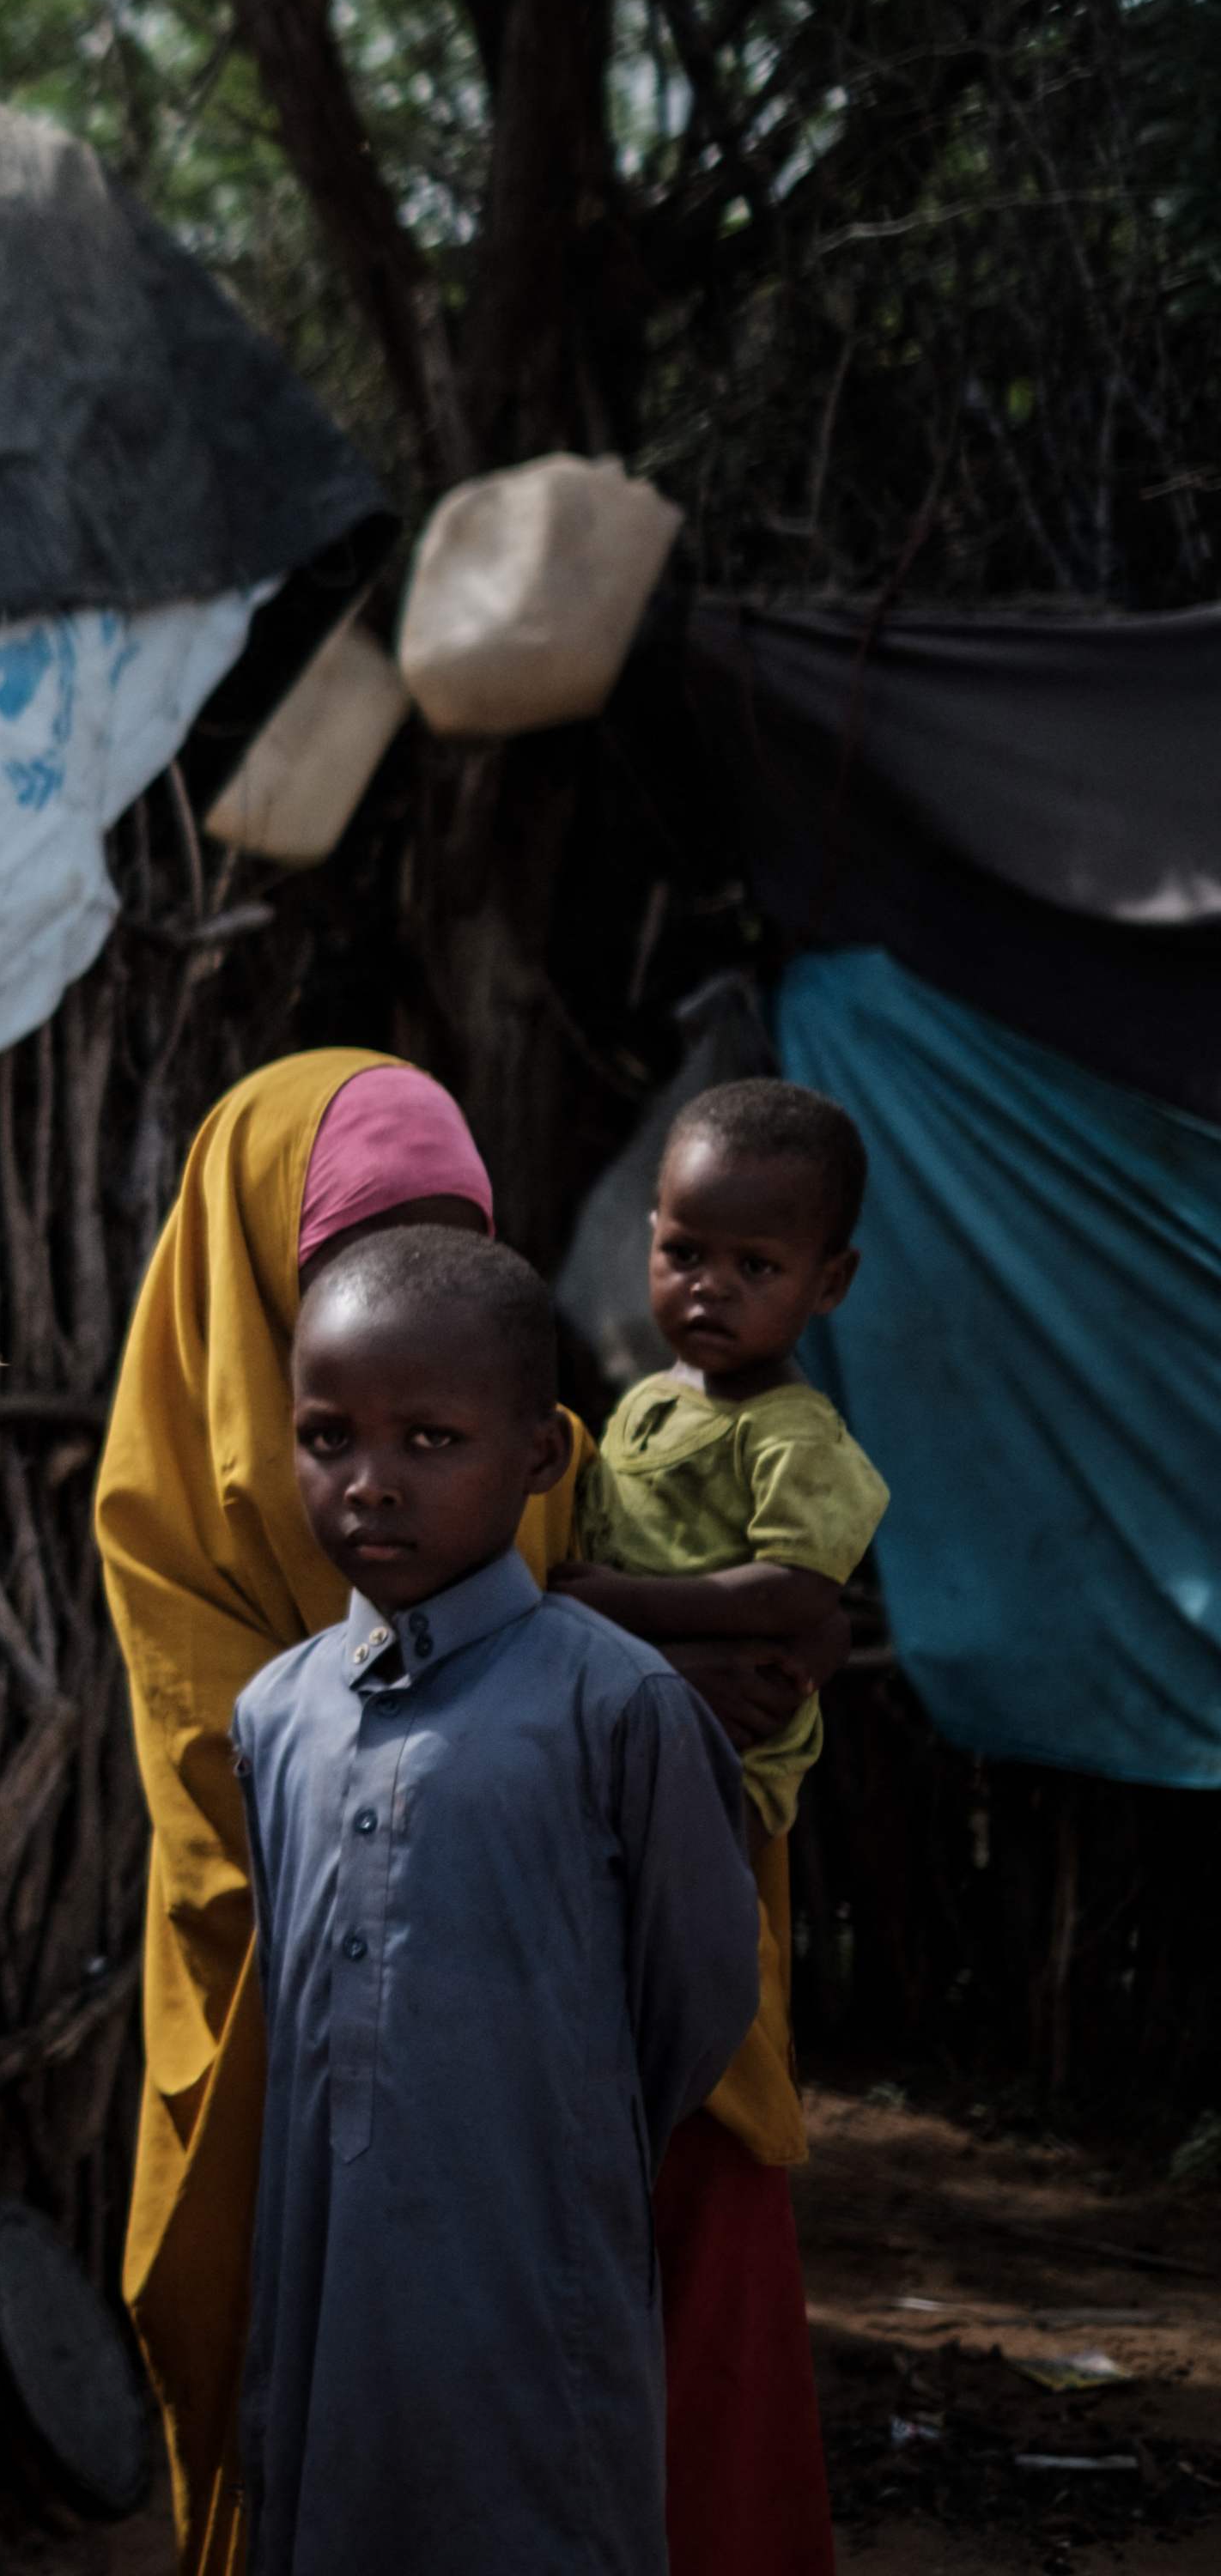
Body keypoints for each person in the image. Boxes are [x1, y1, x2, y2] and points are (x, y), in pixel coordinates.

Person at [95, 1050, 590, 2569]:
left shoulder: (557, 1538)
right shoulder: (179, 1517)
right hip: (271, 2033)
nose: (384, 1471)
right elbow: (228, 1815)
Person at [234, 1226, 765, 2574]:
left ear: (538, 1455)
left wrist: (540, 2127)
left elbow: (691, 1998)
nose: (368, 1485)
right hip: (328, 2262)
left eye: (429, 1441)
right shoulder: (274, 1711)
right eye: (326, 1438)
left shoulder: (615, 1704)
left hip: (531, 2256)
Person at [552, 1077, 885, 2576]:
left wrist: (602, 1616)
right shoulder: (638, 1408)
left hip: (720, 1784)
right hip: (638, 1748)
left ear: (831, 1283)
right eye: (687, 1250)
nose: (713, 1290)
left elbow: (792, 1600)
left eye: (758, 1268)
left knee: (692, 2027)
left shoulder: (794, 1433)